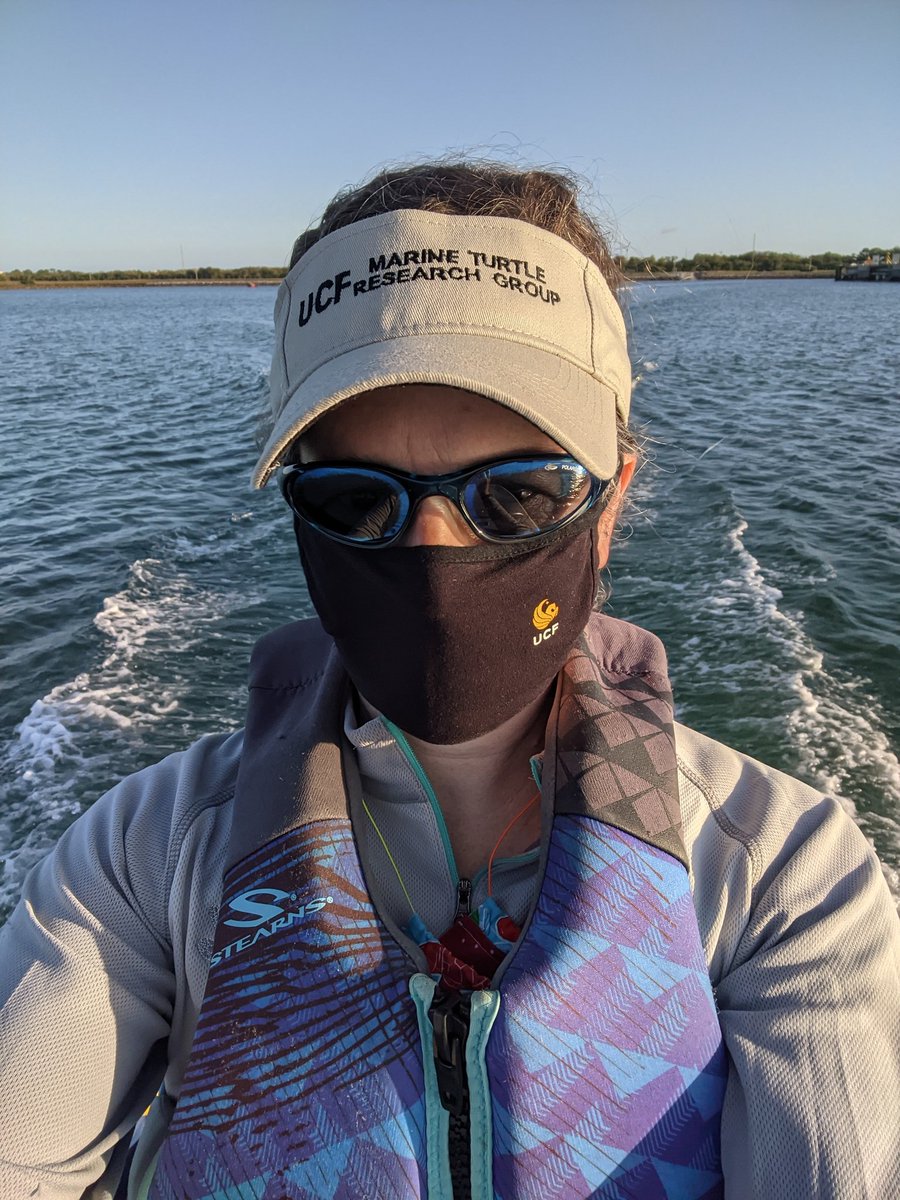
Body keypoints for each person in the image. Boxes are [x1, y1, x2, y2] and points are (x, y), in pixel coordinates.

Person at [1, 161, 898, 1200]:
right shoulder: (143, 861)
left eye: (519, 492)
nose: (433, 551)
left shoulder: (787, 882)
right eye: (351, 499)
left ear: (613, 501)